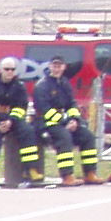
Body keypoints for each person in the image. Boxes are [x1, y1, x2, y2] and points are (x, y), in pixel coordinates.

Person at [33, 58, 100, 186]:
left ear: (64, 67)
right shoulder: (42, 85)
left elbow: (71, 104)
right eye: (54, 66)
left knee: (87, 136)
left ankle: (90, 173)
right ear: (50, 67)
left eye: (60, 66)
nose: (57, 69)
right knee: (64, 137)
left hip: (64, 122)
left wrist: (74, 120)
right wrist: (65, 122)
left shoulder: (65, 83)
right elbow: (44, 109)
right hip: (46, 123)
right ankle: (67, 176)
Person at [0, 56, 39, 188]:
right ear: (1, 70)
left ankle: (31, 170)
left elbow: (21, 108)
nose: (10, 72)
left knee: (28, 132)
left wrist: (11, 121)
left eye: (12, 69)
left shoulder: (19, 86)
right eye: (7, 69)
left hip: (13, 121)